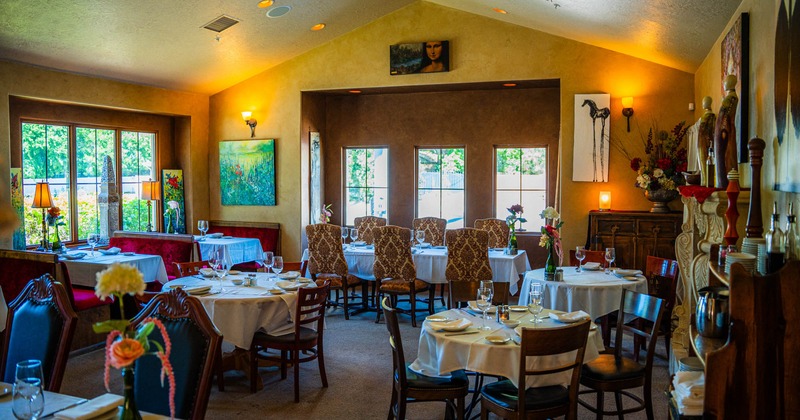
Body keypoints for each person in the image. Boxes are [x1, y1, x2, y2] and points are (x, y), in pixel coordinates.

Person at [713, 74, 739, 188]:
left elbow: (726, 116)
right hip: (722, 133)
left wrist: (724, 129)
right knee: (721, 159)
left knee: (726, 158)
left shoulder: (731, 99)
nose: (723, 84)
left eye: (725, 82)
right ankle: (722, 182)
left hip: (725, 133)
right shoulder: (729, 98)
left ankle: (726, 183)